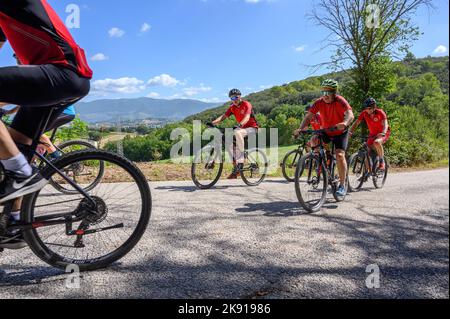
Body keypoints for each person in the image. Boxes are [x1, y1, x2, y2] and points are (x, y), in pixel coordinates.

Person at [0, 0, 92, 249]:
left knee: (16, 162)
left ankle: (20, 171)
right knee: (16, 142)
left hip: (63, 73)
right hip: (54, 79)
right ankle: (16, 223)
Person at [294, 79, 355, 197]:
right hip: (326, 131)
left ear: (334, 92)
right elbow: (308, 117)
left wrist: (345, 122)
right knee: (313, 140)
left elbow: (350, 114)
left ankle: (342, 185)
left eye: (328, 93)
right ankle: (322, 160)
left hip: (340, 132)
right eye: (323, 92)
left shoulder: (340, 100)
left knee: (340, 155)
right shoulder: (318, 102)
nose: (325, 96)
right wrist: (300, 128)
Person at [212, 89, 259, 179]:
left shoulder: (246, 104)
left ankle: (241, 158)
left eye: (236, 97)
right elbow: (223, 116)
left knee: (237, 132)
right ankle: (236, 169)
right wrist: (213, 122)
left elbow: (247, 117)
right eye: (232, 98)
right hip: (241, 129)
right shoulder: (232, 107)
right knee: (227, 142)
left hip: (252, 128)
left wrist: (240, 124)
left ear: (240, 96)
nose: (234, 99)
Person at [350, 98, 391, 171]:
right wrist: (350, 132)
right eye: (366, 108)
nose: (367, 110)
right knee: (366, 150)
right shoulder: (364, 113)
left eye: (369, 108)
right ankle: (367, 172)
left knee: (377, 142)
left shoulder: (380, 112)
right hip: (372, 134)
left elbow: (385, 123)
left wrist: (383, 133)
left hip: (383, 133)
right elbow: (356, 123)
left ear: (374, 107)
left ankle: (382, 162)